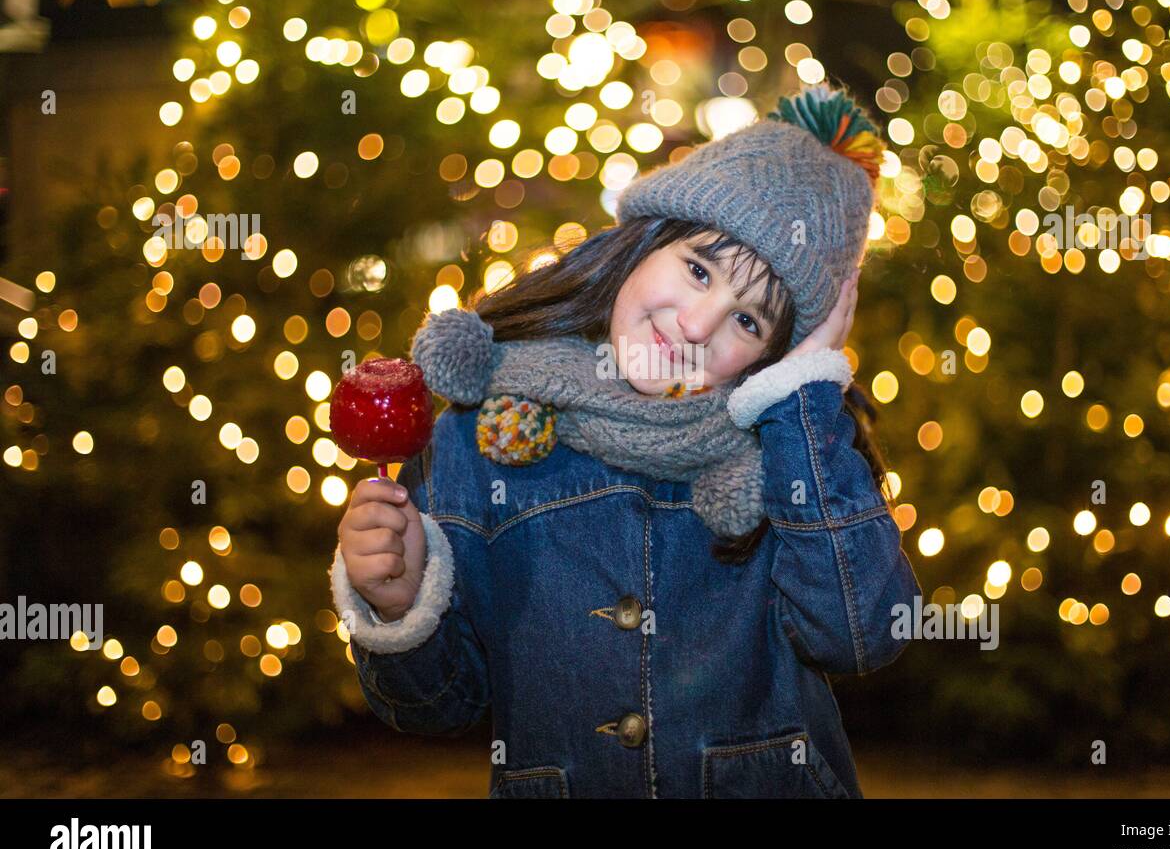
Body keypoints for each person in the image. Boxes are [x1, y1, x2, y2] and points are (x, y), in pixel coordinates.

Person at [330, 80, 923, 798]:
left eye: (750, 322)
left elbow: (859, 633)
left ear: (777, 355)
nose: (699, 324)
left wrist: (804, 392)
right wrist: (397, 603)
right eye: (698, 269)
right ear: (639, 244)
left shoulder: (790, 454)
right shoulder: (479, 432)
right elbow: (436, 705)